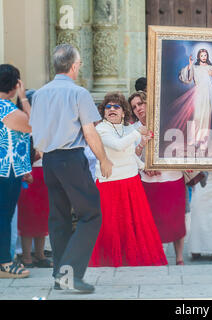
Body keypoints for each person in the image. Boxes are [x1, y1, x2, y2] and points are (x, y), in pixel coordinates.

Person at [30, 44, 113, 293]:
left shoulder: (40, 94)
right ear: (74, 66)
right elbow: (90, 132)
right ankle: (71, 274)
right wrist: (104, 159)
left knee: (59, 218)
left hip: (49, 161)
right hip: (71, 159)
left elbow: (36, 130)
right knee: (91, 214)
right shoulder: (79, 93)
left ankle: (60, 275)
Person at [89, 92, 167, 267]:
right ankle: (110, 261)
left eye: (116, 106)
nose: (112, 110)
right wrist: (138, 133)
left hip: (131, 182)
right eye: (108, 107)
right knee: (111, 227)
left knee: (134, 226)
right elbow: (118, 146)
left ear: (123, 112)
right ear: (103, 112)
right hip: (110, 184)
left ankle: (133, 260)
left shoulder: (126, 129)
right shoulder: (101, 129)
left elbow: (129, 153)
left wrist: (142, 166)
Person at [128, 91, 187, 265]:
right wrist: (144, 167)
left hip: (172, 178)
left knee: (176, 219)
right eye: (134, 107)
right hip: (148, 182)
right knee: (153, 222)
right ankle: (157, 255)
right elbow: (131, 155)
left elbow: (181, 147)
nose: (138, 109)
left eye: (140, 104)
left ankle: (179, 258)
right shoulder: (133, 130)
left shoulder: (168, 122)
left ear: (148, 103)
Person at [0, 64, 32, 279]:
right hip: (6, 170)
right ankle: (5, 262)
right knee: (4, 216)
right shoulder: (8, 110)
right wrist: (24, 97)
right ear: (15, 85)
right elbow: (33, 124)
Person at [16, 90, 53, 268]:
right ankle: (26, 255)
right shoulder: (20, 123)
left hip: (43, 173)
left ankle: (39, 254)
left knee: (42, 213)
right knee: (27, 215)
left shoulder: (46, 125)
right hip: (28, 173)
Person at [169, 48, 212, 149]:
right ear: (199, 56)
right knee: (197, 116)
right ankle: (193, 139)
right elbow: (187, 78)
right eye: (202, 55)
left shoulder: (211, 67)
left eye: (205, 55)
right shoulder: (195, 67)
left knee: (206, 117)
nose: (204, 57)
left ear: (207, 56)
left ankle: (203, 141)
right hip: (198, 94)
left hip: (208, 95)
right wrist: (190, 65)